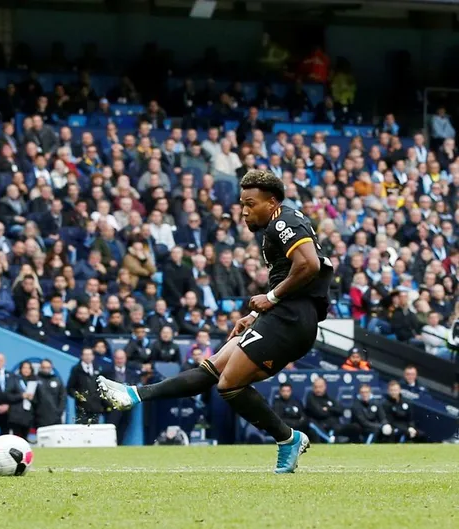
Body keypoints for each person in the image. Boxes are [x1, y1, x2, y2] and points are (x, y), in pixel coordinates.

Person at [99, 170, 334, 473]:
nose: (244, 211)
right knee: (211, 369)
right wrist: (255, 314)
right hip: (281, 315)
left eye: (251, 204)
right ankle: (134, 395)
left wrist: (271, 298)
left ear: (272, 201)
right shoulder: (276, 225)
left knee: (230, 384)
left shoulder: (283, 220)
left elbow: (309, 265)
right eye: (242, 204)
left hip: (291, 318)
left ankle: (288, 438)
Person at [67, 348, 105, 424]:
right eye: (85, 355)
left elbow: (102, 386)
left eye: (90, 354)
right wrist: (79, 396)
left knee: (94, 431)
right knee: (81, 431)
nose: (88, 357)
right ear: (81, 356)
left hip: (95, 407)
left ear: (93, 356)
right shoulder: (76, 369)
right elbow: (70, 388)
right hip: (82, 408)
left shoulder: (98, 368)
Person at [304, 377, 344, 444]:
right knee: (311, 423)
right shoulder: (310, 397)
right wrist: (331, 412)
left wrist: (328, 409)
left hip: (330, 425)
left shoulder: (329, 398)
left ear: (325, 386)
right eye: (316, 387)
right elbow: (319, 413)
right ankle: (330, 439)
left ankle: (331, 437)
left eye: (320, 387)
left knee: (337, 422)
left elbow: (340, 410)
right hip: (317, 425)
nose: (318, 389)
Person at [7, 361, 38, 439]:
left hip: (28, 414)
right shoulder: (14, 379)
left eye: (28, 368)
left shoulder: (34, 381)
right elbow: (8, 396)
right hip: (16, 414)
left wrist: (32, 398)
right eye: (24, 367)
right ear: (20, 369)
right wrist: (21, 396)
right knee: (15, 438)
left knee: (25, 438)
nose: (26, 370)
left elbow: (38, 399)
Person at [32, 359, 66, 428]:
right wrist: (37, 413)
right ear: (40, 368)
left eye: (48, 367)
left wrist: (59, 412)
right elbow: (33, 399)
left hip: (55, 418)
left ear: (51, 368)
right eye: (44, 367)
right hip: (40, 418)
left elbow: (63, 397)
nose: (46, 369)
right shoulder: (34, 380)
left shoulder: (57, 380)